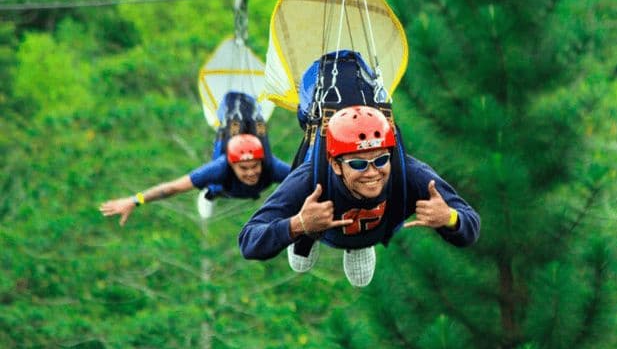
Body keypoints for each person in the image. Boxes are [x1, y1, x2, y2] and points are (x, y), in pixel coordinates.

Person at [238, 105, 480, 287]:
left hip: (379, 226)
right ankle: (307, 238)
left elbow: (471, 224)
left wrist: (450, 218)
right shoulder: (309, 180)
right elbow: (249, 241)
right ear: (335, 165)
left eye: (381, 160)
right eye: (358, 164)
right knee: (300, 263)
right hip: (319, 227)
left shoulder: (411, 174)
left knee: (361, 278)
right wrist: (298, 224)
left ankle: (360, 246)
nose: (372, 173)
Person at [100, 134, 291, 226]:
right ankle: (209, 195)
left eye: (254, 166)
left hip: (260, 188)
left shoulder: (271, 166)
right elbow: (173, 188)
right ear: (232, 164)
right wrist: (135, 200)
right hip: (223, 188)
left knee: (295, 190)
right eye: (243, 168)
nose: (250, 172)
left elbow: (306, 180)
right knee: (214, 188)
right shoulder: (219, 168)